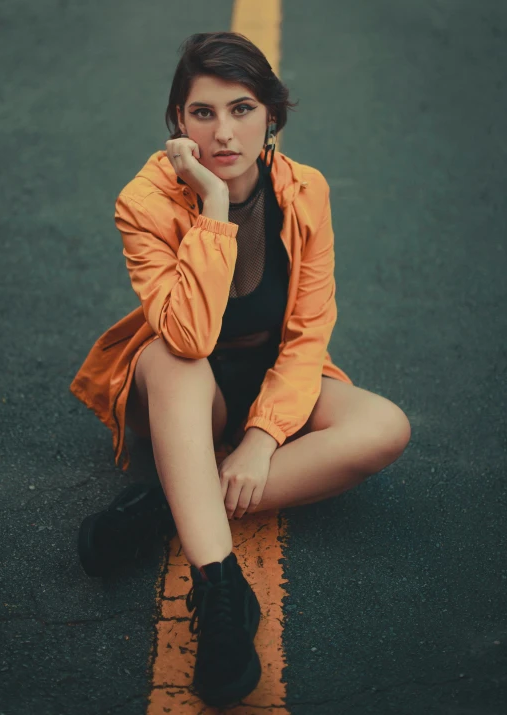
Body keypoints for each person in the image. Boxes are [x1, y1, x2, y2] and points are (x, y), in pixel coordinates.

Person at [70, 31, 411, 708]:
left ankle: (174, 502)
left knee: (384, 426)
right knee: (174, 358)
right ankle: (222, 589)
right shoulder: (145, 201)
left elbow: (310, 329)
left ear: (271, 116)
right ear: (177, 123)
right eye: (203, 113)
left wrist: (261, 439)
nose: (223, 132)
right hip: (179, 387)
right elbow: (190, 334)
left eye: (242, 108)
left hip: (264, 377)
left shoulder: (305, 190)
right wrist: (216, 208)